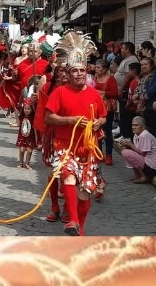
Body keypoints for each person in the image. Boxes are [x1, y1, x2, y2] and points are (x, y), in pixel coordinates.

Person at [42, 34, 108, 236]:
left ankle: (80, 227)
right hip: (64, 145)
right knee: (68, 177)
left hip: (87, 148)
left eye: (82, 70)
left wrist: (98, 122)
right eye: (74, 71)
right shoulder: (59, 92)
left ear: (86, 72)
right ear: (68, 74)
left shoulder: (94, 94)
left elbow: (103, 116)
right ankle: (72, 220)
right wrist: (71, 120)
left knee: (84, 192)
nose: (79, 74)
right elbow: (48, 118)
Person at [118, 115, 156, 182]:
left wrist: (130, 145)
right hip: (147, 163)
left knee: (127, 153)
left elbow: (143, 154)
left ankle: (143, 176)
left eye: (136, 125)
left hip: (154, 167)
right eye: (132, 125)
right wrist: (127, 146)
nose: (133, 127)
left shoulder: (145, 135)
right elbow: (137, 151)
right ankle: (138, 175)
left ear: (143, 127)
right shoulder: (136, 135)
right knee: (126, 151)